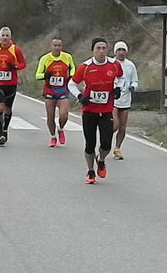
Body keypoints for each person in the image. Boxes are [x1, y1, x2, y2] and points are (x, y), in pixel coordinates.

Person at [68, 38, 123, 184]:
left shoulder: (114, 64)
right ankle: (90, 171)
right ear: (93, 50)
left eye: (104, 48)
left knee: (106, 143)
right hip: (89, 111)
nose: (101, 51)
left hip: (106, 111)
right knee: (89, 143)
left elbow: (120, 77)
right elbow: (71, 84)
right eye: (98, 48)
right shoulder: (85, 67)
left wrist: (118, 88)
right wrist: (80, 96)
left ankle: (101, 159)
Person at [0, 26, 27, 146]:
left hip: (11, 83)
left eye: (7, 36)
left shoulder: (15, 49)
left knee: (8, 108)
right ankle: (0, 135)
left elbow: (23, 63)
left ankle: (5, 130)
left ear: (10, 37)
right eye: (3, 36)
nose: (5, 38)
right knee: (0, 107)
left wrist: (14, 67)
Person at [35, 38, 75, 147]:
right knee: (50, 115)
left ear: (61, 47)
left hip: (62, 90)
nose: (57, 48)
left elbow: (73, 68)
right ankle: (53, 137)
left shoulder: (67, 57)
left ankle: (60, 128)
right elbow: (37, 75)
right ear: (51, 47)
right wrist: (45, 75)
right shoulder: (45, 59)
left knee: (64, 114)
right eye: (55, 45)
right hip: (49, 90)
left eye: (59, 46)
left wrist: (71, 75)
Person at [112, 41, 139, 160]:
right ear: (115, 52)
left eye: (123, 50)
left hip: (126, 99)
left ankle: (117, 148)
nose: (121, 52)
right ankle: (105, 141)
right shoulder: (111, 63)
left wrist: (133, 87)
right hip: (113, 100)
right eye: (119, 50)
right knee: (115, 125)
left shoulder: (130, 65)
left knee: (122, 127)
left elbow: (135, 80)